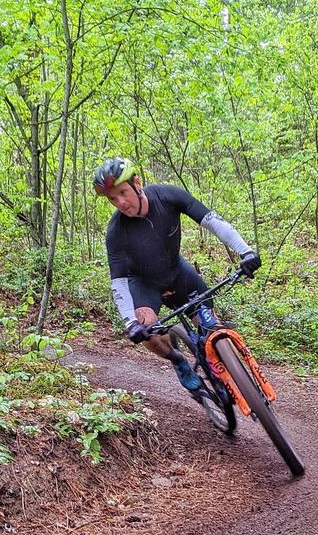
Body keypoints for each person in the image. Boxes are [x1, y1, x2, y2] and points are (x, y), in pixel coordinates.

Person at [93, 157, 261, 400]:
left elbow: (212, 220)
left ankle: (220, 364)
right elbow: (118, 282)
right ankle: (178, 359)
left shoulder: (167, 196)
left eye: (122, 193)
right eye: (112, 198)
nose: (120, 203)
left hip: (178, 273)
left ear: (137, 183)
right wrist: (131, 323)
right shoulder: (116, 232)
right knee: (147, 331)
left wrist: (245, 252)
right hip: (143, 284)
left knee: (212, 327)